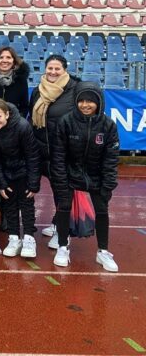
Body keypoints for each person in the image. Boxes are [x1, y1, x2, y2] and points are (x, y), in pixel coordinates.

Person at [51, 83, 120, 272]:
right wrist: (60, 180)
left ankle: (103, 251)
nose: (85, 105)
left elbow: (111, 159)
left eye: (90, 101)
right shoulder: (66, 122)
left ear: (98, 102)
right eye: (81, 100)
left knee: (102, 210)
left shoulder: (108, 126)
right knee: (63, 208)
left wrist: (108, 184)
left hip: (96, 176)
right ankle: (63, 246)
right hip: (69, 174)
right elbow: (58, 156)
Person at [28, 54, 80, 249]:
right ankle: (53, 223)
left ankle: (61, 229)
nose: (53, 72)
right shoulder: (37, 91)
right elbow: (32, 119)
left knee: (62, 192)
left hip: (63, 152)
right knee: (37, 188)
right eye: (50, 68)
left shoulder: (75, 89)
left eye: (57, 69)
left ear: (65, 70)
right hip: (41, 150)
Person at [0, 98, 41, 258]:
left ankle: (29, 238)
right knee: (8, 203)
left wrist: (34, 182)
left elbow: (32, 155)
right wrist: (0, 181)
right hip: (6, 171)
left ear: (7, 114)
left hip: (24, 170)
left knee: (26, 203)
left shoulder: (22, 126)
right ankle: (14, 237)